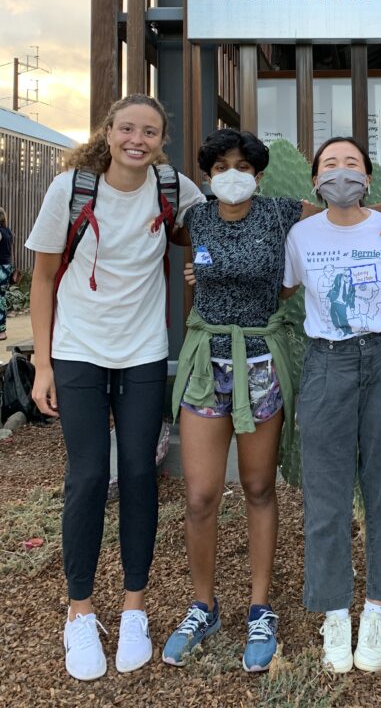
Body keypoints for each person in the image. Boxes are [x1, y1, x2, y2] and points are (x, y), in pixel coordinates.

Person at [162, 128, 381, 672]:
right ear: (206, 174)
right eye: (221, 165)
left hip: (261, 363)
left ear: (259, 174)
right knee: (201, 495)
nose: (232, 174)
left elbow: (343, 208)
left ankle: (260, 607)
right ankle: (202, 605)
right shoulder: (195, 219)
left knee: (257, 486)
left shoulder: (279, 212)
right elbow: (152, 228)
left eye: (243, 166)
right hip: (207, 362)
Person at [27, 94, 206, 682]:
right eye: (127, 128)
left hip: (143, 354)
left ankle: (134, 607)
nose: (138, 139)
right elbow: (45, 276)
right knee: (84, 476)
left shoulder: (172, 186)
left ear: (162, 139)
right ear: (108, 132)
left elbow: (220, 223)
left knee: (137, 474)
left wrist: (198, 261)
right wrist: (45, 366)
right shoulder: (73, 190)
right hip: (78, 352)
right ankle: (79, 611)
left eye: (149, 131)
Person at [281, 136, 381, 675]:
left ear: (368, 178)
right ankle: (335, 611)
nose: (340, 171)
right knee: (326, 495)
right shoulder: (301, 234)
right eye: (329, 164)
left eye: (351, 164)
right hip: (326, 365)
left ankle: (376, 610)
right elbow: (282, 290)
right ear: (316, 178)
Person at [0, 206, 17, 342]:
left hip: (0, 267)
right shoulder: (8, 232)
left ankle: (1, 332)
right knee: (1, 298)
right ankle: (2, 331)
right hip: (6, 268)